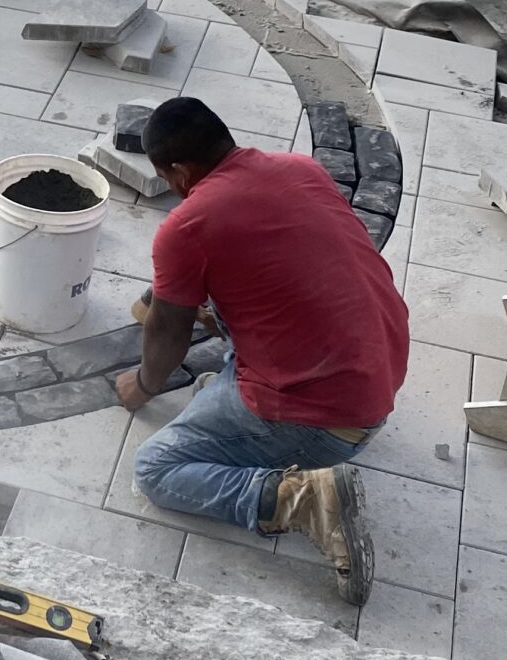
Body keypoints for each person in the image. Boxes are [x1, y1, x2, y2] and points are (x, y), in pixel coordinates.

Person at [118, 96, 408, 602]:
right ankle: (244, 413)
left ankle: (303, 500)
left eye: (166, 178)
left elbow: (167, 337)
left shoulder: (186, 228)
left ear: (180, 171)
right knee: (236, 322)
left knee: (156, 470)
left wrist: (142, 386)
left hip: (324, 422)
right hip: (379, 369)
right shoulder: (300, 168)